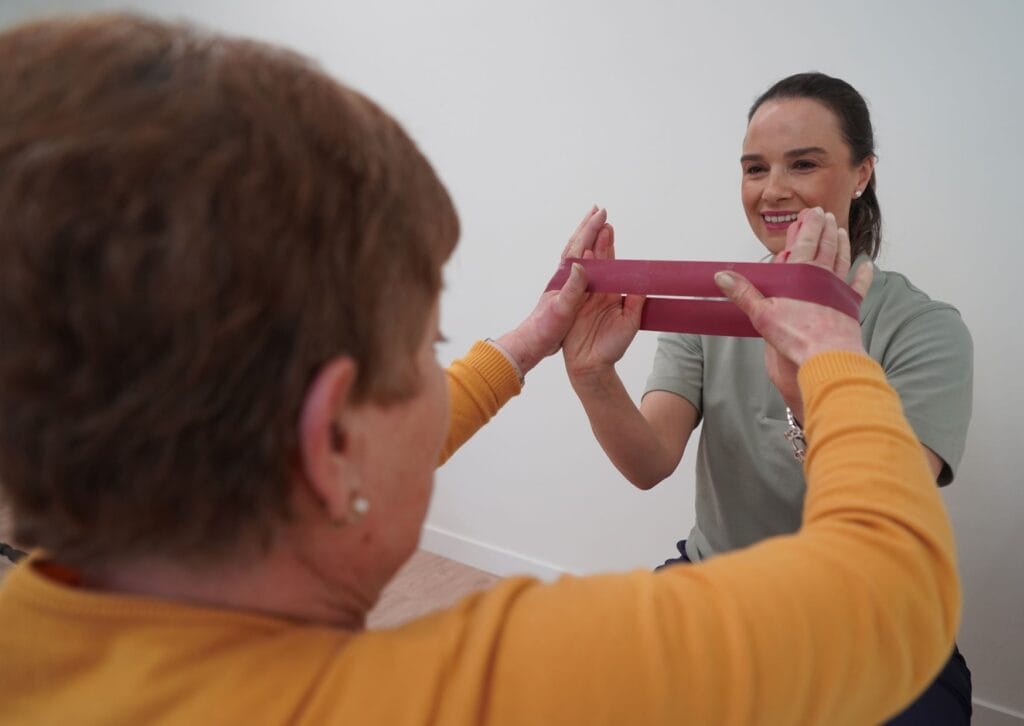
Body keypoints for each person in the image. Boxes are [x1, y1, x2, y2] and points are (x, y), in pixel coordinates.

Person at [0, 18, 959, 724]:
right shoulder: (495, 685)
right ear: (331, 441)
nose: (775, 188)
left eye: (803, 163)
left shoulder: (31, 626)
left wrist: (531, 344)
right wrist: (831, 357)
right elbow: (893, 590)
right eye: (427, 348)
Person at [563, 72, 974, 724]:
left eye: (803, 164)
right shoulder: (708, 303)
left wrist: (810, 384)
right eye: (755, 168)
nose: (773, 189)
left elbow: (890, 509)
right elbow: (648, 462)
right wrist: (591, 374)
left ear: (862, 173)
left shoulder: (926, 328)